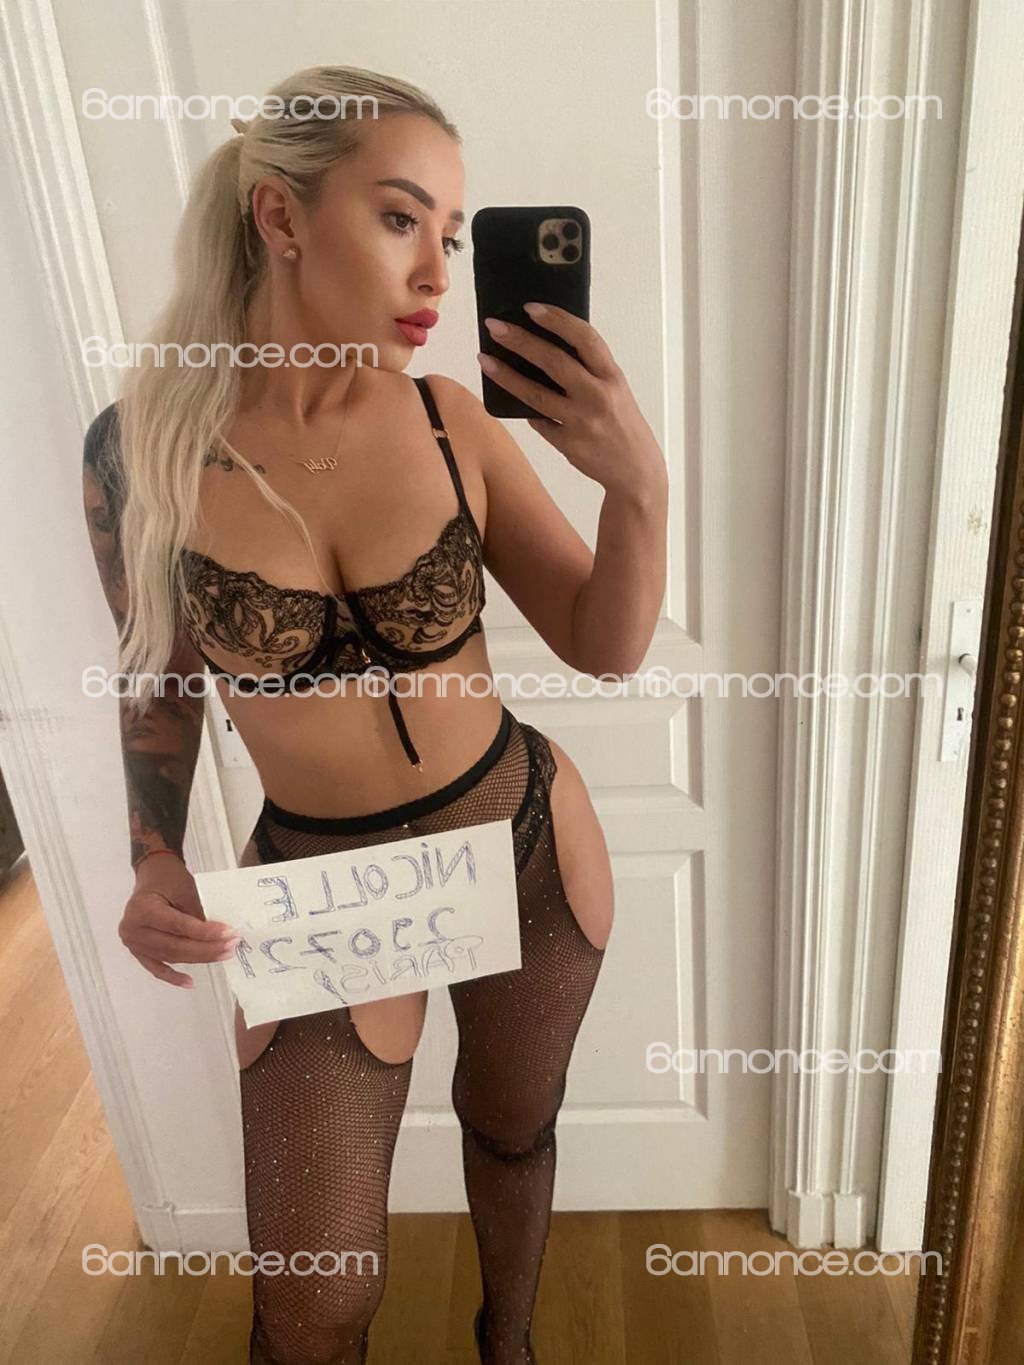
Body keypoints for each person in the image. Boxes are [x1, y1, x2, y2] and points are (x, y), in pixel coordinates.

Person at [81, 64, 667, 1365]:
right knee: (310, 1304)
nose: (435, 273)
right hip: (320, 885)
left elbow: (606, 643)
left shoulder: (450, 422)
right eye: (401, 218)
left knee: (512, 1128)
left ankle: (508, 1345)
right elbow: (158, 677)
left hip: (521, 836)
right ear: (280, 217)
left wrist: (639, 485)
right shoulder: (139, 450)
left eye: (450, 236)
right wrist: (152, 853)